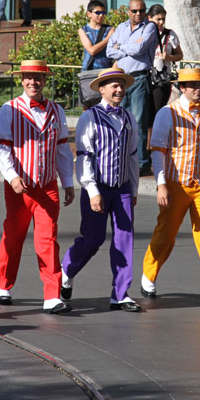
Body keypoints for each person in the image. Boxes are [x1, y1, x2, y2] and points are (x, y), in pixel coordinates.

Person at [141, 67, 200, 311]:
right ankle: (149, 274)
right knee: (166, 234)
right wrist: (161, 184)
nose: (197, 89)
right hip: (175, 183)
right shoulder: (167, 113)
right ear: (180, 87)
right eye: (192, 85)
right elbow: (158, 152)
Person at [0, 59, 76, 314]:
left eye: (38, 78)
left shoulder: (56, 110)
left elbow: (62, 148)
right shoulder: (10, 109)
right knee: (14, 235)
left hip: (47, 184)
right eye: (28, 77)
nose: (33, 82)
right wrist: (12, 176)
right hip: (20, 186)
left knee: (48, 238)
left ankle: (51, 295)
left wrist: (68, 182)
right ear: (21, 80)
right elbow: (2, 148)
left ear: (45, 81)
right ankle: (2, 284)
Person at [60, 68, 142, 312]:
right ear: (102, 90)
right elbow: (84, 156)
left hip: (122, 187)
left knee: (124, 238)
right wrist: (92, 190)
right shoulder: (90, 117)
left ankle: (120, 293)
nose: (118, 90)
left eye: (121, 85)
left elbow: (133, 155)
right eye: (113, 86)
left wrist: (134, 188)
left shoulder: (129, 117)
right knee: (92, 239)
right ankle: (67, 270)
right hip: (97, 186)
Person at [106, 0, 159, 175]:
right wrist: (127, 46)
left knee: (138, 123)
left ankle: (142, 163)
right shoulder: (121, 27)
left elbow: (139, 50)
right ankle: (122, 159)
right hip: (120, 79)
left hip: (139, 79)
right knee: (120, 121)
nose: (138, 14)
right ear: (128, 11)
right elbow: (108, 50)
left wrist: (119, 46)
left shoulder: (150, 27)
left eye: (142, 11)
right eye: (135, 11)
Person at [148, 3, 183, 112]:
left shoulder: (170, 35)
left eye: (163, 19)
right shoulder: (143, 33)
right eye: (158, 19)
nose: (161, 22)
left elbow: (179, 55)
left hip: (161, 80)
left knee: (157, 111)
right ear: (150, 18)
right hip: (145, 78)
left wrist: (169, 57)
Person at [78, 0, 114, 71]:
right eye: (97, 12)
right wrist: (108, 38)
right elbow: (92, 51)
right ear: (89, 14)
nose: (101, 15)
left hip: (105, 70)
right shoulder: (83, 30)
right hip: (88, 69)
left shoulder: (109, 29)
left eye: (103, 12)